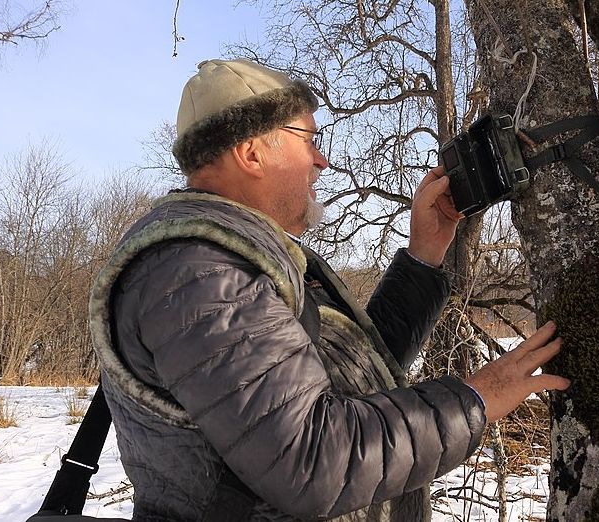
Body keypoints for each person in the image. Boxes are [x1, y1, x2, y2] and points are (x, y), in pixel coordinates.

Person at [89, 58, 570, 522]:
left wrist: (424, 254)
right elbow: (312, 459)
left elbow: (353, 376)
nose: (322, 160)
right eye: (308, 140)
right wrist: (475, 399)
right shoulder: (199, 274)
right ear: (251, 153)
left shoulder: (235, 255)